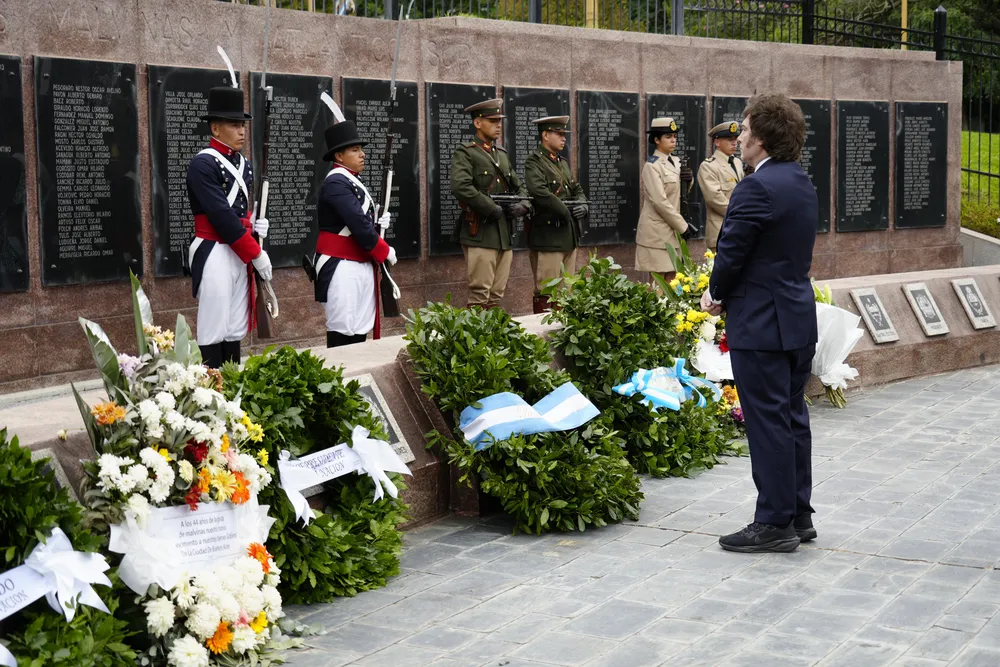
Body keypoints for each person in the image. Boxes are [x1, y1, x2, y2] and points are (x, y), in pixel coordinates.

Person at [701, 94, 818, 553]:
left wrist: (715, 294)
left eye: (746, 130)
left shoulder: (755, 186)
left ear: (762, 139)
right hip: (795, 319)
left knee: (768, 422)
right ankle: (799, 513)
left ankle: (773, 522)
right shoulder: (800, 181)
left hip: (761, 323)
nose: (741, 137)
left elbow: (733, 251)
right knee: (791, 418)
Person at [187, 85, 272, 369]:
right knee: (214, 325)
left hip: (238, 251)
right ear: (215, 128)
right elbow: (221, 216)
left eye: (243, 125)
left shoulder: (244, 164)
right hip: (214, 250)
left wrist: (255, 223)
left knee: (234, 326)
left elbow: (239, 211)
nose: (242, 131)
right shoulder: (203, 164)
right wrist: (255, 253)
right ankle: (211, 389)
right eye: (234, 125)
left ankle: (234, 386)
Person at [311, 119, 395, 348]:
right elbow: (357, 223)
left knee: (359, 330)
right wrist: (384, 250)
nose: (362, 154)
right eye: (355, 150)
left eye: (361, 149)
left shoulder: (351, 181)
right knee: (344, 330)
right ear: (339, 156)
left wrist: (377, 222)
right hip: (341, 265)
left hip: (358, 264)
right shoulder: (336, 183)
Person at [450, 98, 530, 309]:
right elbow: (460, 186)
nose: (498, 125)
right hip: (480, 231)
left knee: (496, 294)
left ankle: (492, 330)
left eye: (499, 120)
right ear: (477, 123)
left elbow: (519, 186)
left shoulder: (501, 155)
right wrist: (490, 207)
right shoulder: (466, 152)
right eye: (493, 121)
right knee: (479, 293)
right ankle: (477, 331)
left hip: (504, 232)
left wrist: (523, 205)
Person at [523, 115, 587, 313]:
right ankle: (543, 330)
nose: (563, 137)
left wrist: (582, 205)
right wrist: (565, 211)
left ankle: (561, 329)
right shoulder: (534, 162)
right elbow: (539, 192)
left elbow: (577, 189)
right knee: (547, 290)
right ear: (545, 135)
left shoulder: (562, 163)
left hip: (568, 236)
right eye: (558, 134)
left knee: (566, 291)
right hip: (548, 237)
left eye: (564, 134)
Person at [635, 117, 692, 282]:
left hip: (673, 231)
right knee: (659, 284)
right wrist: (682, 226)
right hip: (657, 233)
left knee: (673, 280)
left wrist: (689, 181)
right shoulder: (652, 166)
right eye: (668, 137)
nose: (673, 140)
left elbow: (678, 194)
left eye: (674, 136)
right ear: (656, 140)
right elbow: (659, 201)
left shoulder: (677, 162)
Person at [697, 121, 745, 250]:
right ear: (717, 142)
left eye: (735, 139)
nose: (735, 143)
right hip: (720, 230)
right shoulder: (709, 166)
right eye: (730, 139)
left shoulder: (737, 162)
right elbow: (714, 198)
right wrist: (741, 215)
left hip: (740, 229)